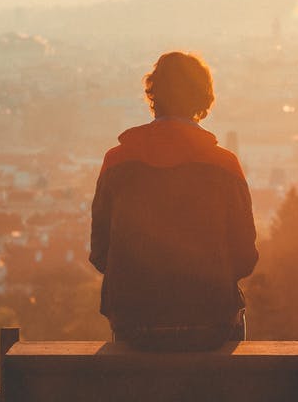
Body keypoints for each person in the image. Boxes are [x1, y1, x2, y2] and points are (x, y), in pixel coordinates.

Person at [89, 51, 258, 350]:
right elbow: (245, 256)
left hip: (136, 325)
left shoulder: (116, 162)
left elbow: (101, 252)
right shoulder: (225, 166)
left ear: (154, 96)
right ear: (202, 99)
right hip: (210, 323)